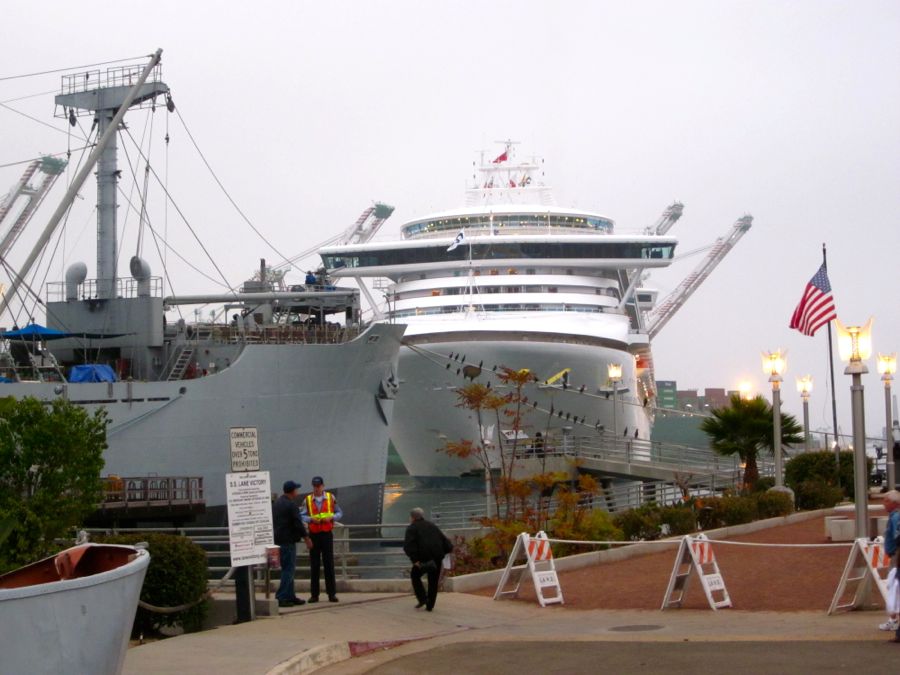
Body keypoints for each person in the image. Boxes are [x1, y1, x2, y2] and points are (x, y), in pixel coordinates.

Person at [300, 476, 342, 602]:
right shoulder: (307, 500)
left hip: (326, 534)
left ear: (323, 486)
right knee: (314, 565)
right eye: (314, 486)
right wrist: (310, 519)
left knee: (329, 564)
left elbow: (340, 512)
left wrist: (332, 518)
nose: (316, 488)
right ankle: (314, 595)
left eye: (318, 486)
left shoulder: (331, 498)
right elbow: (301, 515)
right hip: (314, 534)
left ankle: (331, 594)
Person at [403, 507, 453, 612]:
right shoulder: (432, 525)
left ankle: (422, 598)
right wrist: (442, 554)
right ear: (422, 516)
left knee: (415, 576)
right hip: (437, 559)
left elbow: (409, 546)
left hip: (423, 559)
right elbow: (446, 542)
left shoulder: (412, 528)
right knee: (433, 581)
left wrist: (415, 560)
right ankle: (430, 605)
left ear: (412, 518)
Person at [272, 480, 312, 608]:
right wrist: (306, 538)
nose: (297, 491)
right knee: (288, 570)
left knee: (287, 568)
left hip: (278, 540)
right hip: (288, 541)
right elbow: (298, 523)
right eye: (296, 489)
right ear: (293, 491)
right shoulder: (291, 505)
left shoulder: (277, 504)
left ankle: (290, 595)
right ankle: (282, 596)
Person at [879, 490, 900, 636]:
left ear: (894, 503)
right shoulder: (893, 517)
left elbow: (897, 536)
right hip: (895, 554)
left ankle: (893, 619)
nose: (883, 503)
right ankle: (893, 619)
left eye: (886, 500)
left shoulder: (896, 517)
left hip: (897, 556)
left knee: (894, 586)